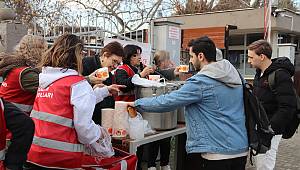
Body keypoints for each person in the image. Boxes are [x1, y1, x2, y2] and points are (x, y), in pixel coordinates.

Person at [129, 36, 249, 170]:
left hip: (217, 152)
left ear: (201, 56)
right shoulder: (235, 76)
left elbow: (168, 101)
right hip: (240, 147)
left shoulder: (201, 81)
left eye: (191, 56)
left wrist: (137, 103)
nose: (190, 60)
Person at [26, 34, 123, 169]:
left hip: (34, 153)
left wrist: (104, 91)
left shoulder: (47, 81)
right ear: (77, 55)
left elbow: (68, 105)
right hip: (61, 158)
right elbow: (85, 131)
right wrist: (100, 132)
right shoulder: (77, 84)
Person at [247, 40, 297, 170]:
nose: (248, 61)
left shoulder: (280, 75)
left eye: (251, 57)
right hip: (260, 128)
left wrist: (269, 129)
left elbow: (288, 107)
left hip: (270, 130)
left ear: (262, 57)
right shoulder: (259, 73)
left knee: (265, 164)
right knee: (260, 162)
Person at [0, 35, 47, 170]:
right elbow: (54, 85)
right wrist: (88, 80)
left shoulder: (15, 69)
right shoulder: (26, 74)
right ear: (38, 51)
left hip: (9, 128)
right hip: (14, 132)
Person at [82, 41, 124, 124]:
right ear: (105, 55)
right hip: (85, 120)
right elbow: (75, 87)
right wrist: (91, 85)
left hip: (101, 121)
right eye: (114, 61)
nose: (115, 66)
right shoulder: (85, 63)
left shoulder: (110, 75)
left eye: (118, 64)